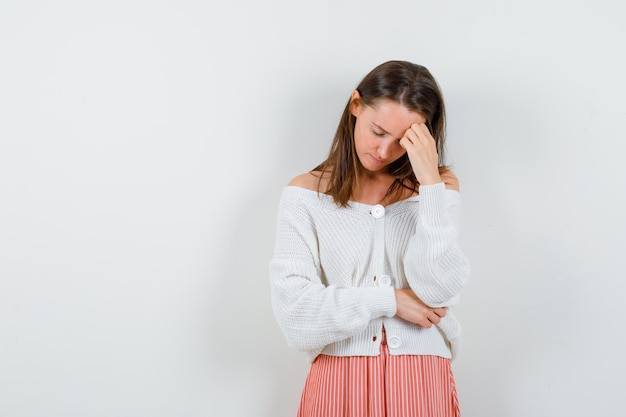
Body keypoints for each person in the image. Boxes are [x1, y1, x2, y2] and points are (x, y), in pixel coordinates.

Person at [269, 60, 471, 417]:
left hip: (422, 378)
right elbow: (295, 316)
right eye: (378, 131)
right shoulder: (305, 194)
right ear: (355, 106)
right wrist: (389, 300)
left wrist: (429, 182)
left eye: (403, 141)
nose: (384, 151)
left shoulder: (436, 189)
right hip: (337, 381)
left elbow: (439, 291)